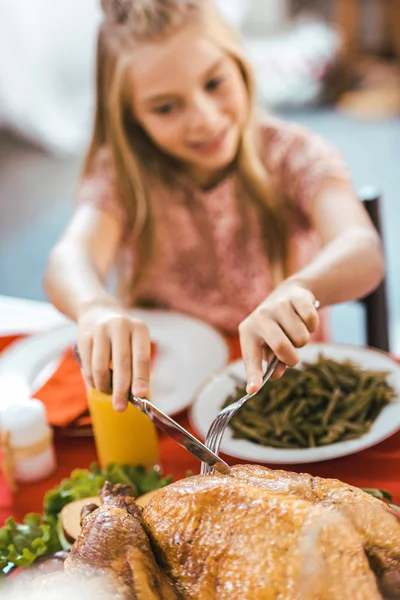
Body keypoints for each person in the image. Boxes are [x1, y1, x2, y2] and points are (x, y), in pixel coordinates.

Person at [44, 0, 384, 412]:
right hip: (172, 400)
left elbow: (362, 249)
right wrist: (94, 307)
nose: (204, 119)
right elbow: (69, 258)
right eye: (166, 107)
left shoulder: (293, 155)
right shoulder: (120, 176)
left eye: (213, 84)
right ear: (131, 116)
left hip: (282, 392)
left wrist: (302, 288)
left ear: (240, 66)